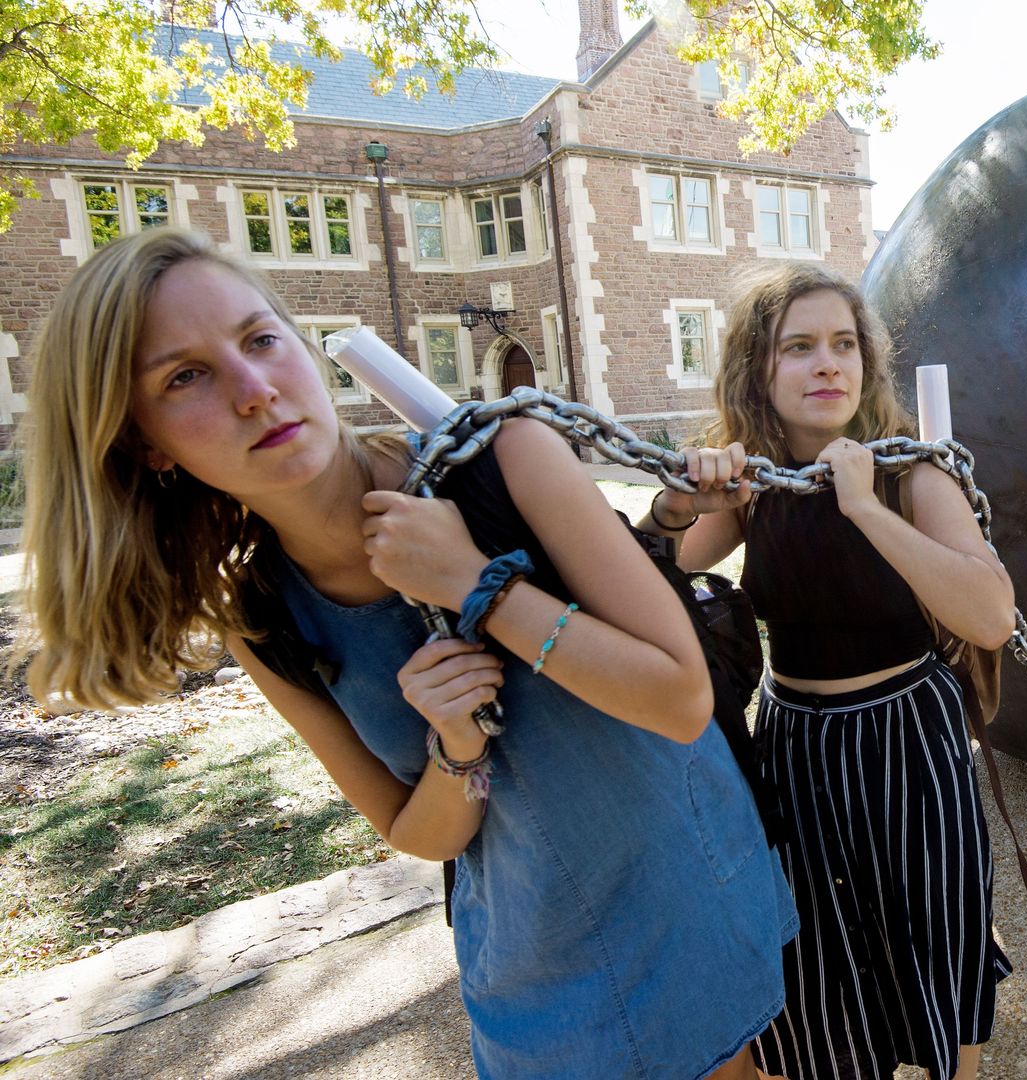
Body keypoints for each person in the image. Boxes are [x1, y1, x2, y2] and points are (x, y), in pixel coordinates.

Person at [10, 228, 796, 1079]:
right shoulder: (261, 612)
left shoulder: (506, 458)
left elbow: (679, 699)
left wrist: (479, 587)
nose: (255, 391)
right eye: (184, 376)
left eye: (260, 339)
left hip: (681, 904)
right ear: (143, 442)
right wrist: (456, 749)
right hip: (529, 967)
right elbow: (410, 829)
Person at [642, 263, 1015, 1080]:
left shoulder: (913, 474)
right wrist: (674, 510)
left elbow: (990, 615)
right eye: (799, 347)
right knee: (812, 951)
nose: (827, 364)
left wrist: (865, 505)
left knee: (936, 927)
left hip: (906, 741)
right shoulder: (754, 489)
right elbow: (640, 584)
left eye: (843, 345)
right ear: (759, 372)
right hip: (795, 746)